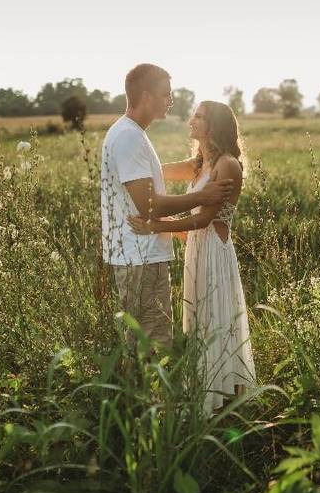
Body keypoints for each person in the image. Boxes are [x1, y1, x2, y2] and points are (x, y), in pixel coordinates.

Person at [128, 101, 256, 412]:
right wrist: (129, 168)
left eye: (198, 116)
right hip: (197, 251)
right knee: (201, 323)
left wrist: (157, 225)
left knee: (218, 322)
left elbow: (205, 219)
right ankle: (210, 397)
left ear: (214, 125)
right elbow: (157, 172)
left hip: (214, 252)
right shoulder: (200, 163)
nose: (191, 120)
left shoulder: (227, 165)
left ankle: (230, 403)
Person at [100, 64, 233, 348]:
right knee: (153, 343)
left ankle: (140, 391)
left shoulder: (133, 134)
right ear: (146, 96)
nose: (170, 100)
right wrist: (201, 197)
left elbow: (157, 175)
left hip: (142, 254)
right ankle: (146, 393)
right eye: (165, 94)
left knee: (147, 341)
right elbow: (149, 206)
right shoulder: (128, 136)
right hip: (140, 255)